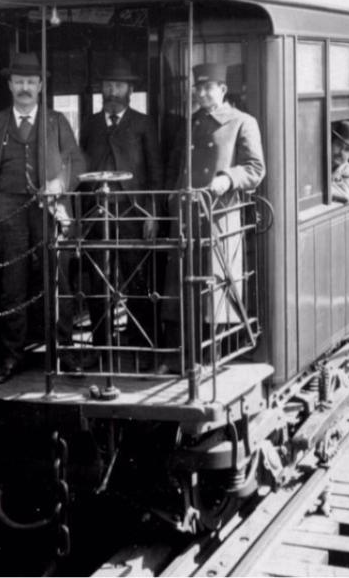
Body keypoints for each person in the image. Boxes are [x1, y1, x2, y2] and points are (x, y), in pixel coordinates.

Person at [0, 52, 86, 383]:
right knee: (12, 285)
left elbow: (77, 162)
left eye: (31, 82)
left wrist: (60, 184)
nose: (25, 88)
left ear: (40, 86)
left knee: (57, 280)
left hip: (50, 209)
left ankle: (63, 351)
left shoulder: (56, 122)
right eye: (19, 82)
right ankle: (12, 355)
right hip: (9, 214)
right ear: (9, 85)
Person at [162, 62, 265, 362]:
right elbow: (177, 165)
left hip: (218, 215)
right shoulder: (191, 123)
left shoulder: (242, 122)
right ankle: (181, 357)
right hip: (185, 213)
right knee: (182, 284)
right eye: (198, 88)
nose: (202, 94)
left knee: (215, 285)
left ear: (223, 89)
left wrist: (228, 179)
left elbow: (255, 168)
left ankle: (213, 357)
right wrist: (171, 197)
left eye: (208, 88)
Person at [78, 57, 162, 349]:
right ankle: (101, 346)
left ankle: (141, 344)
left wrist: (152, 214)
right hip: (96, 211)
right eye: (108, 85)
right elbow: (80, 166)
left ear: (130, 90)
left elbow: (155, 174)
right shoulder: (90, 123)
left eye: (118, 85)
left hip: (132, 211)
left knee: (136, 275)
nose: (112, 91)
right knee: (98, 278)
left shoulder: (143, 123)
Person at [330, 120, 349, 203]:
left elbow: (347, 194)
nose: (342, 152)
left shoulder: (348, 171)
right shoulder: (317, 163)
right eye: (338, 145)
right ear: (331, 143)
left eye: (347, 149)